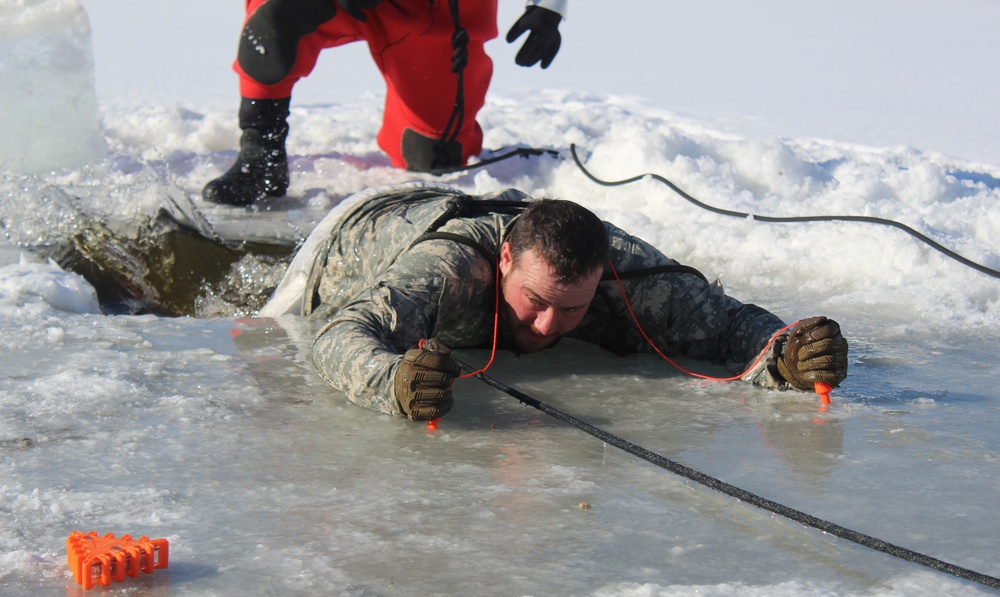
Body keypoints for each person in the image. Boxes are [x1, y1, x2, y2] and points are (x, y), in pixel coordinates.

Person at [258, 184, 849, 420]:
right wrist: (392, 382)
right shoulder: (453, 267)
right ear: (505, 261)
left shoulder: (627, 273)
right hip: (344, 241)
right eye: (535, 301)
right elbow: (341, 332)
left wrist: (787, 355)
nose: (546, 326)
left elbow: (731, 324)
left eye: (571, 309)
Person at [202, 0, 567, 206]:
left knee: (430, 154)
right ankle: (260, 152)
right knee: (274, 18)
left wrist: (548, 6)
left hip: (436, 12)